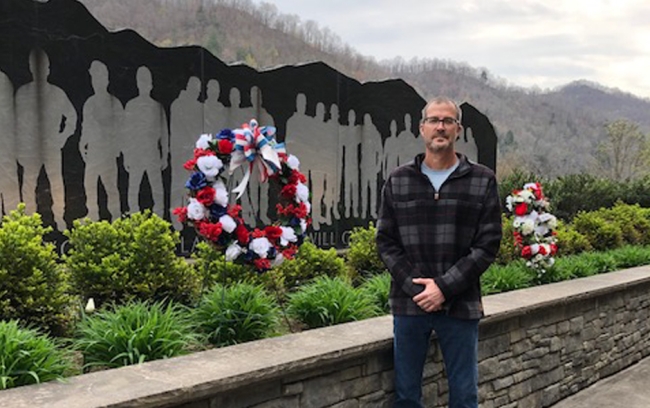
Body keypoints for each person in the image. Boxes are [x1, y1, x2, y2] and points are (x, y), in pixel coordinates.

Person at [376, 96, 502, 408]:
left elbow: (487, 245)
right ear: (422, 129)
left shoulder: (481, 180)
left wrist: (444, 288)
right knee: (406, 396)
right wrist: (417, 287)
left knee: (464, 396)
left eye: (447, 121)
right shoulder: (399, 180)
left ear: (458, 129)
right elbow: (386, 242)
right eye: (434, 120)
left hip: (460, 306)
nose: (440, 127)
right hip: (410, 304)